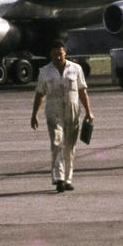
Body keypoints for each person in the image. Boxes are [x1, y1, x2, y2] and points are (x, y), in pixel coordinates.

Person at [31, 39, 92, 192]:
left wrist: (89, 112)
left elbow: (82, 91)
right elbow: (39, 94)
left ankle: (68, 179)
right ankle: (58, 178)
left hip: (72, 111)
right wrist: (34, 115)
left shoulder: (76, 69)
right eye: (54, 55)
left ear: (65, 53)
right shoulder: (45, 71)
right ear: (50, 55)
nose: (58, 57)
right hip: (53, 112)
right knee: (57, 144)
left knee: (70, 147)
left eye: (60, 54)